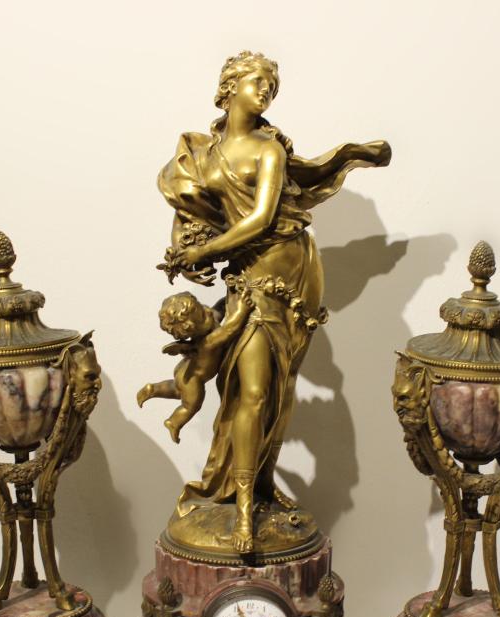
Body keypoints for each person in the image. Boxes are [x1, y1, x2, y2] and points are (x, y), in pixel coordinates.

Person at [157, 51, 390, 553]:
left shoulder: (270, 151)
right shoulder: (199, 152)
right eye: (257, 81)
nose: (265, 90)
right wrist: (186, 251)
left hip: (290, 268)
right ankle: (243, 503)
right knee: (253, 389)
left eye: (271, 85)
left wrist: (205, 251)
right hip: (247, 272)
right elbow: (193, 212)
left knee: (278, 386)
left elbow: (262, 219)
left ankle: (259, 486)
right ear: (229, 87)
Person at [137, 289, 253, 444]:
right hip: (193, 380)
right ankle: (174, 422)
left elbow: (219, 309)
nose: (209, 312)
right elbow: (230, 329)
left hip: (185, 370)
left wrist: (228, 298)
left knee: (176, 388)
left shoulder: (209, 319)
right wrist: (242, 309)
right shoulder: (208, 342)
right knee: (190, 405)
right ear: (192, 328)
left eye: (203, 308)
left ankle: (153, 389)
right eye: (204, 315)